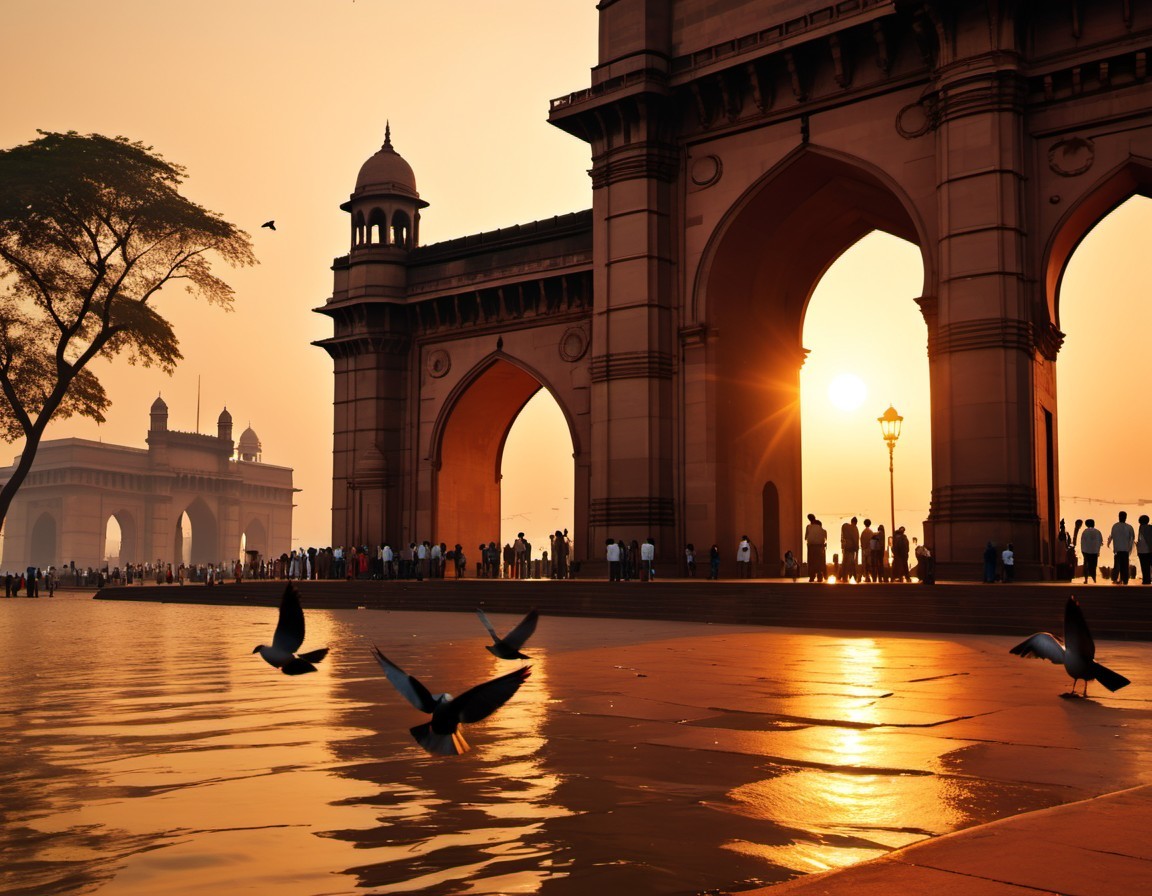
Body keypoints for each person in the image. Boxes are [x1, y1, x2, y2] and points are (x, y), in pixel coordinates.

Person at [1108, 511, 1136, 585]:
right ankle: (1125, 580)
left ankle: (1115, 579)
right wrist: (1130, 548)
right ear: (1125, 517)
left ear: (1119, 516)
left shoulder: (1115, 526)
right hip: (1125, 550)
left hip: (1117, 549)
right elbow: (1132, 538)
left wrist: (1109, 544)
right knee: (1125, 566)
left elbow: (1111, 536)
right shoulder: (1129, 527)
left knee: (1117, 565)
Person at [1079, 519, 1102, 583]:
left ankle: (1086, 579)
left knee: (1086, 565)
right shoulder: (1097, 532)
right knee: (1094, 565)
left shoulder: (1085, 532)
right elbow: (1100, 541)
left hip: (1086, 551)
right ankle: (1094, 579)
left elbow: (1082, 542)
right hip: (1094, 551)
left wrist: (1083, 551)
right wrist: (1098, 550)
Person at [840, 517, 859, 582]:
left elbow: (842, 537)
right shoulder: (855, 528)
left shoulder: (845, 526)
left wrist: (842, 546)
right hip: (852, 547)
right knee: (852, 562)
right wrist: (856, 548)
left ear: (851, 521)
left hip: (846, 546)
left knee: (845, 561)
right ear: (856, 522)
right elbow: (855, 539)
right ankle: (853, 575)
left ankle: (844, 575)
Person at [1138, 515, 1152, 585]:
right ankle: (1148, 580)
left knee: (1144, 566)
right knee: (1148, 566)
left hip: (1142, 551)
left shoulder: (1141, 528)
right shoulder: (1149, 528)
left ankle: (1146, 580)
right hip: (1148, 550)